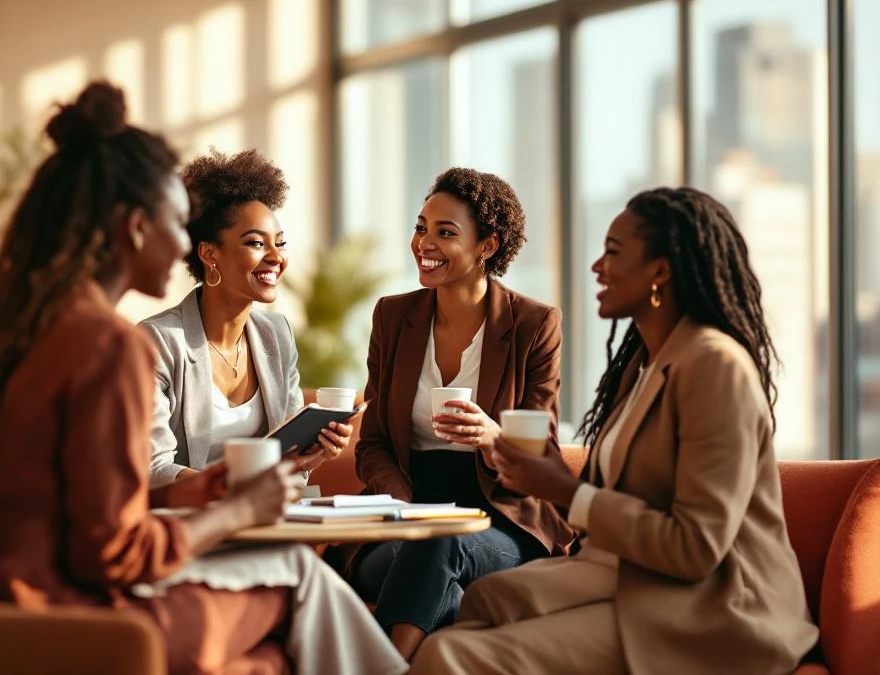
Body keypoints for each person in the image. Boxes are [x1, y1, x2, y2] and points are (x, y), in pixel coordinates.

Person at [0, 81, 407, 675]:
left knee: (291, 599)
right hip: (59, 615)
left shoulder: (23, 330)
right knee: (301, 573)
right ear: (134, 228)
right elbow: (113, 554)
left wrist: (208, 488)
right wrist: (235, 512)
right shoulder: (116, 345)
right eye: (178, 225)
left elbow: (88, 500)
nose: (183, 243)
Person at [411, 186, 819, 675]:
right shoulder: (646, 364)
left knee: (446, 653)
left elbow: (696, 547)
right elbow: (615, 503)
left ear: (660, 272)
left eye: (614, 253)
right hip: (630, 573)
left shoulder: (714, 365)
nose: (596, 267)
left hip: (713, 604)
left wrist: (562, 488)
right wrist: (544, 482)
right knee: (488, 600)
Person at [345, 167, 575, 660]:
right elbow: (374, 442)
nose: (424, 242)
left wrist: (493, 437)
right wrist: (399, 502)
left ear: (486, 247)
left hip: (502, 521)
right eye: (421, 226)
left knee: (440, 546)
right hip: (406, 518)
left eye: (445, 233)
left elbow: (543, 451)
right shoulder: (392, 316)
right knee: (429, 564)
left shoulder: (535, 325)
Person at [142, 148, 352, 494]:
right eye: (256, 243)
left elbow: (288, 467)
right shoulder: (158, 342)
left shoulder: (276, 335)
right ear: (210, 254)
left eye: (280, 243)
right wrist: (235, 491)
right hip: (193, 525)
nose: (275, 257)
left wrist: (310, 458)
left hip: (263, 518)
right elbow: (154, 468)